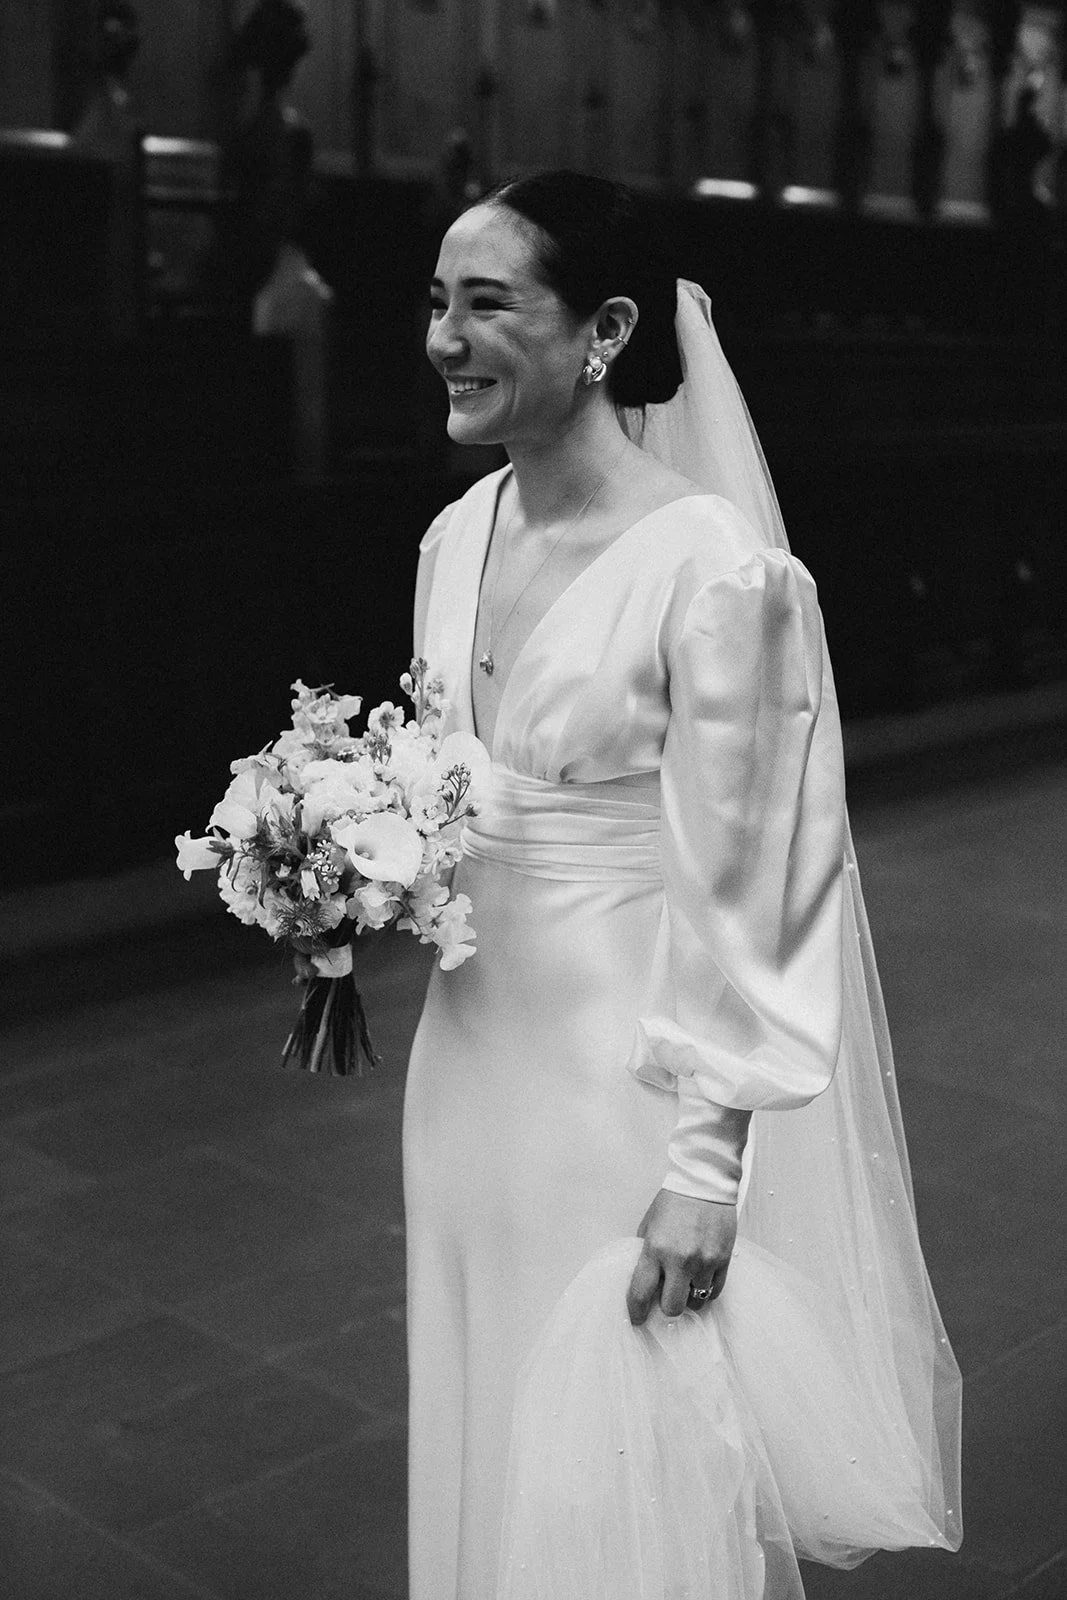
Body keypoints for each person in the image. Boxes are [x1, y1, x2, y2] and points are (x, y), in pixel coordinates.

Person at [405, 170, 961, 1600]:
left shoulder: (718, 570)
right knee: (481, 1384)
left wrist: (706, 1171)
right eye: (434, 303)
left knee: (621, 1454)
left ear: (602, 331)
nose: (442, 340)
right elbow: (452, 782)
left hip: (619, 1083)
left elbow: (760, 886)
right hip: (467, 1065)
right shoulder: (452, 535)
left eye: (485, 305)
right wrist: (342, 869)